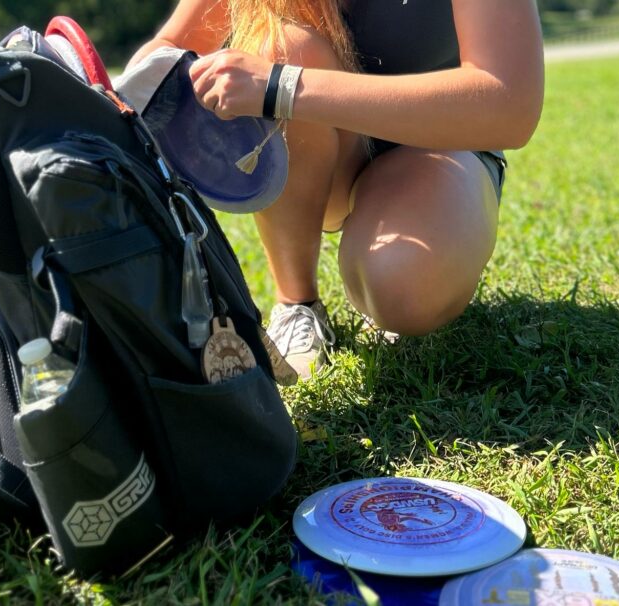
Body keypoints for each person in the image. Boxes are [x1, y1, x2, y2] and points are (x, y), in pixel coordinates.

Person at [129, 1, 544, 380]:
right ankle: (297, 304)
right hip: (325, 150)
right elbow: (169, 49)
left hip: (442, 145)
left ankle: (380, 262)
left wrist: (283, 88)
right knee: (280, 42)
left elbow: (509, 104)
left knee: (403, 288)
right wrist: (110, 106)